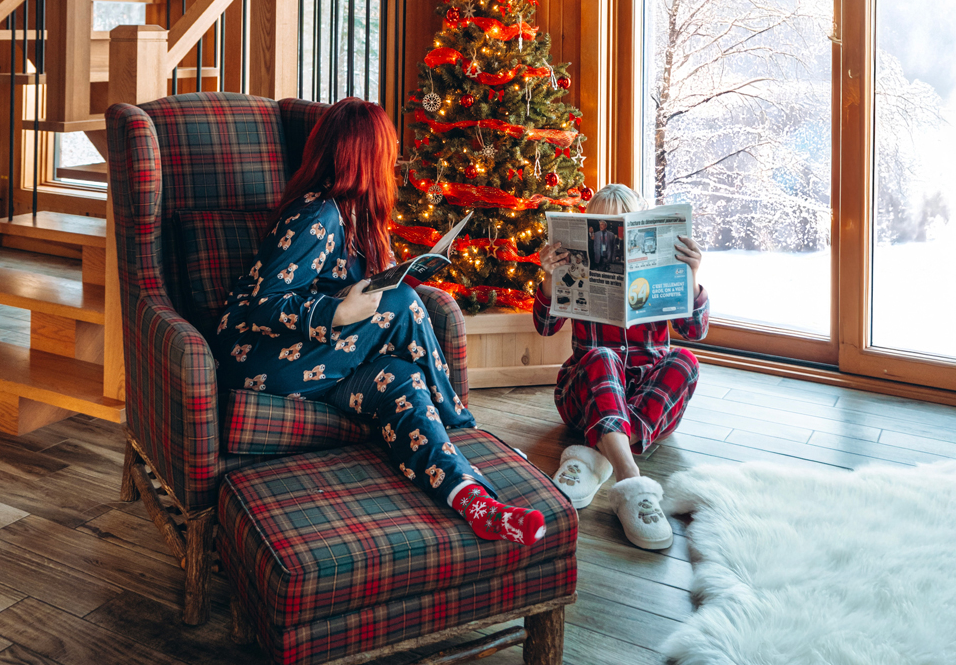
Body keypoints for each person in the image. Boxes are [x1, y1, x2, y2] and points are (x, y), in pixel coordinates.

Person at [214, 98, 546, 547]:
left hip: (329, 362)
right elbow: (262, 305)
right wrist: (335, 313)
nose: (394, 156)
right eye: (387, 148)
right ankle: (463, 427)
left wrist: (405, 272)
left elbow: (370, 284)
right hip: (260, 358)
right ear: (366, 154)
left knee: (403, 381)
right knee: (404, 303)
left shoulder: (362, 216)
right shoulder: (318, 214)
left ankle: (476, 503)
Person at [534, 184, 707, 551]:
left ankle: (600, 454)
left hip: (647, 398)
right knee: (602, 356)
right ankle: (630, 478)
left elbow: (695, 332)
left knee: (685, 361)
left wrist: (692, 276)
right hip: (587, 389)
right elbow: (546, 328)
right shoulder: (572, 264)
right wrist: (549, 279)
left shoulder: (665, 267)